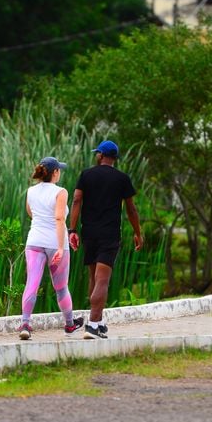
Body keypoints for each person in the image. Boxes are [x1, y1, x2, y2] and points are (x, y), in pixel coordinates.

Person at [68, 140, 143, 339]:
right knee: (103, 279)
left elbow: (76, 200)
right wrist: (138, 232)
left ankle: (99, 321)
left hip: (89, 233)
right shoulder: (122, 179)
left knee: (94, 277)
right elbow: (131, 209)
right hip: (109, 234)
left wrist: (72, 230)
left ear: (101, 155)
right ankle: (92, 325)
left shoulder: (86, 175)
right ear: (114, 158)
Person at [19, 156, 85, 340]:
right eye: (59, 170)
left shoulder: (30, 191)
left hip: (34, 241)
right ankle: (70, 325)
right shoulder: (61, 192)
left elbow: (31, 212)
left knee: (32, 282)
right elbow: (59, 218)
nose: (60, 173)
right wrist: (58, 246)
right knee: (61, 287)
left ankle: (25, 324)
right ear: (55, 172)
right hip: (56, 243)